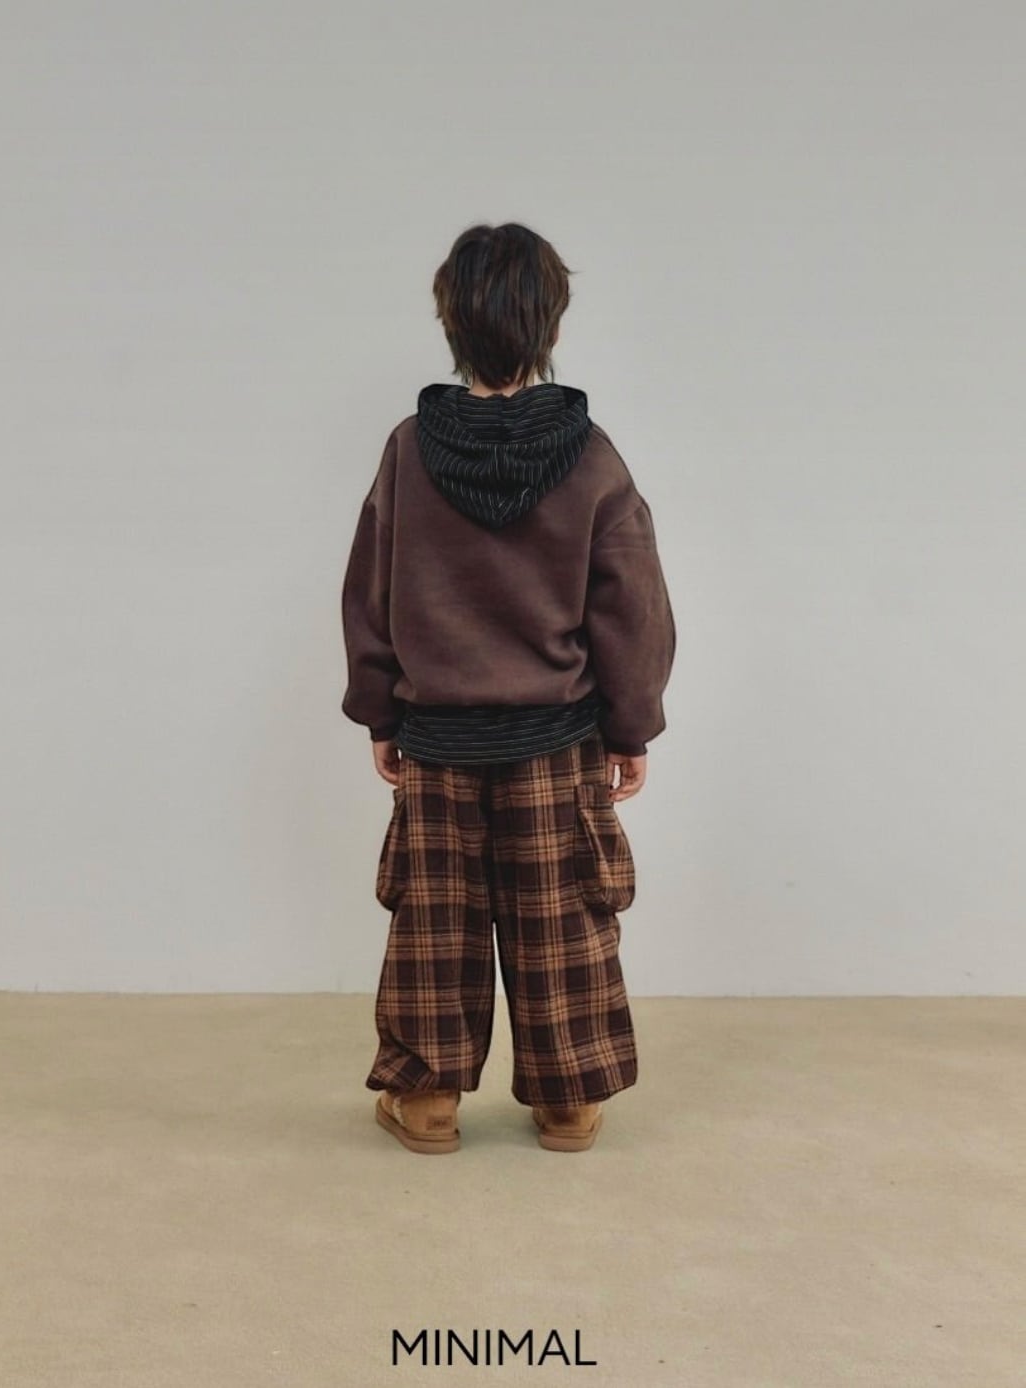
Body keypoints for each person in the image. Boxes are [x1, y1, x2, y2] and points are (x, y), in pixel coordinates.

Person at [339, 221, 677, 1154]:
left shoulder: (410, 450)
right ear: (549, 325)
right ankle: (568, 1101)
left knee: (435, 928)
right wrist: (631, 727)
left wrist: (379, 709)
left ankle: (429, 1102)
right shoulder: (592, 456)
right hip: (554, 743)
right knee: (562, 917)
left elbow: (371, 588)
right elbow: (633, 604)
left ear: (451, 322)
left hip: (438, 741)